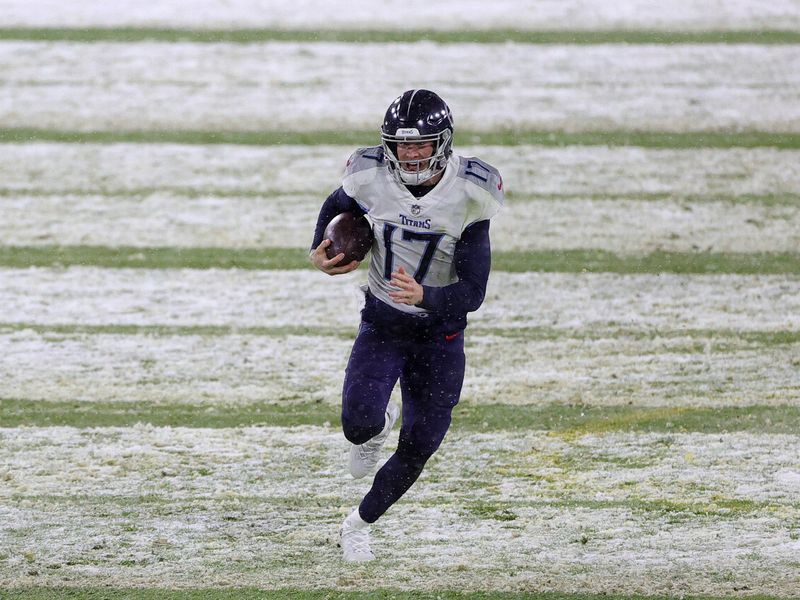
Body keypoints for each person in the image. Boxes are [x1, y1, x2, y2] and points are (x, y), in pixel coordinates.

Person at [309, 89, 504, 562]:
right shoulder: (370, 174)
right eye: (402, 144)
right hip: (383, 323)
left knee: (419, 446)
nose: (411, 153)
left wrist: (428, 296)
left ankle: (357, 525)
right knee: (358, 425)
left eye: (421, 145)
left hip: (441, 336)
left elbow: (474, 291)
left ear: (443, 142)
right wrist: (320, 247)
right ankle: (374, 430)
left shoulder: (470, 192)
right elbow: (337, 203)